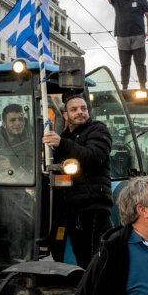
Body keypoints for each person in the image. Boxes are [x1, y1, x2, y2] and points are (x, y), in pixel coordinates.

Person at [42, 93, 113, 268]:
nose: (80, 112)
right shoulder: (65, 137)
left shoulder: (98, 129)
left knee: (94, 256)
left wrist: (62, 144)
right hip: (71, 208)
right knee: (81, 256)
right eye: (74, 109)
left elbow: (94, 156)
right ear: (65, 115)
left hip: (92, 206)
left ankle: (96, 292)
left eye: (83, 108)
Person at [85, 0, 148, 89]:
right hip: (122, 38)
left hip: (138, 37)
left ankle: (142, 86)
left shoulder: (141, 1)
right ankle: (124, 87)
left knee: (140, 64)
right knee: (125, 65)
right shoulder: (116, 0)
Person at [0, 104, 34, 174]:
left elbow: (31, 174)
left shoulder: (30, 141)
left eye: (20, 119)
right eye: (12, 120)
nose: (18, 123)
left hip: (17, 182)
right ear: (4, 124)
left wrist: (13, 168)